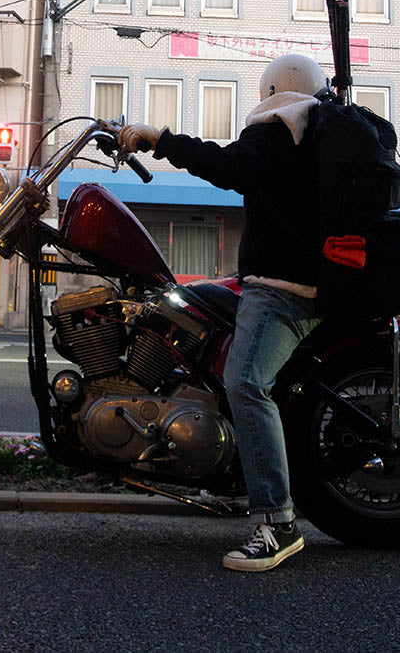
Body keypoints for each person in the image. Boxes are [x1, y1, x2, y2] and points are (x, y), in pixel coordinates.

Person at [119, 54, 329, 573]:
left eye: (262, 94)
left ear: (274, 90)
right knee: (188, 301)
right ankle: (226, 458)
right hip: (280, 280)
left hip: (283, 287)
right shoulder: (312, 132)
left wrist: (160, 140)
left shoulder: (281, 125)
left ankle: (276, 524)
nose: (258, 103)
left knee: (246, 382)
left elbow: (232, 168)